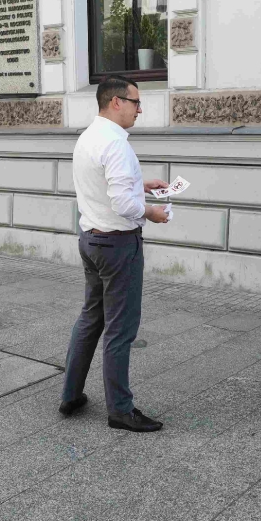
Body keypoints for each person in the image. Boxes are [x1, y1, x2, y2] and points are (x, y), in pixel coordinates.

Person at [59, 75, 171, 432]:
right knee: (120, 330)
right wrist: (151, 212)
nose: (140, 109)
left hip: (91, 240)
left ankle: (70, 395)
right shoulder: (117, 145)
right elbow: (123, 204)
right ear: (116, 102)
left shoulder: (88, 136)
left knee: (91, 318)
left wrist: (141, 184)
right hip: (118, 246)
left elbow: (103, 184)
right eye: (136, 102)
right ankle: (120, 410)